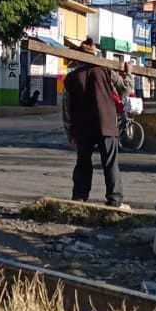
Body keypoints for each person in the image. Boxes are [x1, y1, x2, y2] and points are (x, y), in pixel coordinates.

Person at [62, 38, 124, 208]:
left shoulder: (71, 77)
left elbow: (66, 108)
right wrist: (130, 73)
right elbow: (125, 88)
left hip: (82, 126)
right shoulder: (106, 70)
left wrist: (69, 131)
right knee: (110, 162)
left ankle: (79, 197)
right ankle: (114, 199)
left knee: (83, 162)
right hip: (107, 123)